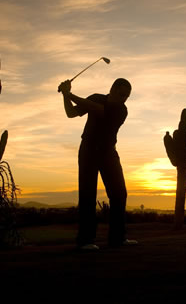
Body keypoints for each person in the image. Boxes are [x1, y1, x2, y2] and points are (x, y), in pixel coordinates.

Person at [58, 78, 138, 250]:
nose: (124, 98)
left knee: (119, 193)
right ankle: (85, 241)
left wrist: (68, 93)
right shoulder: (96, 97)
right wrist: (65, 96)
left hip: (108, 151)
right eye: (122, 94)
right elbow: (71, 113)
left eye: (127, 96)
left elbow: (97, 110)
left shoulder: (121, 110)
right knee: (88, 194)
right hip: (88, 150)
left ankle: (117, 239)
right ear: (112, 88)